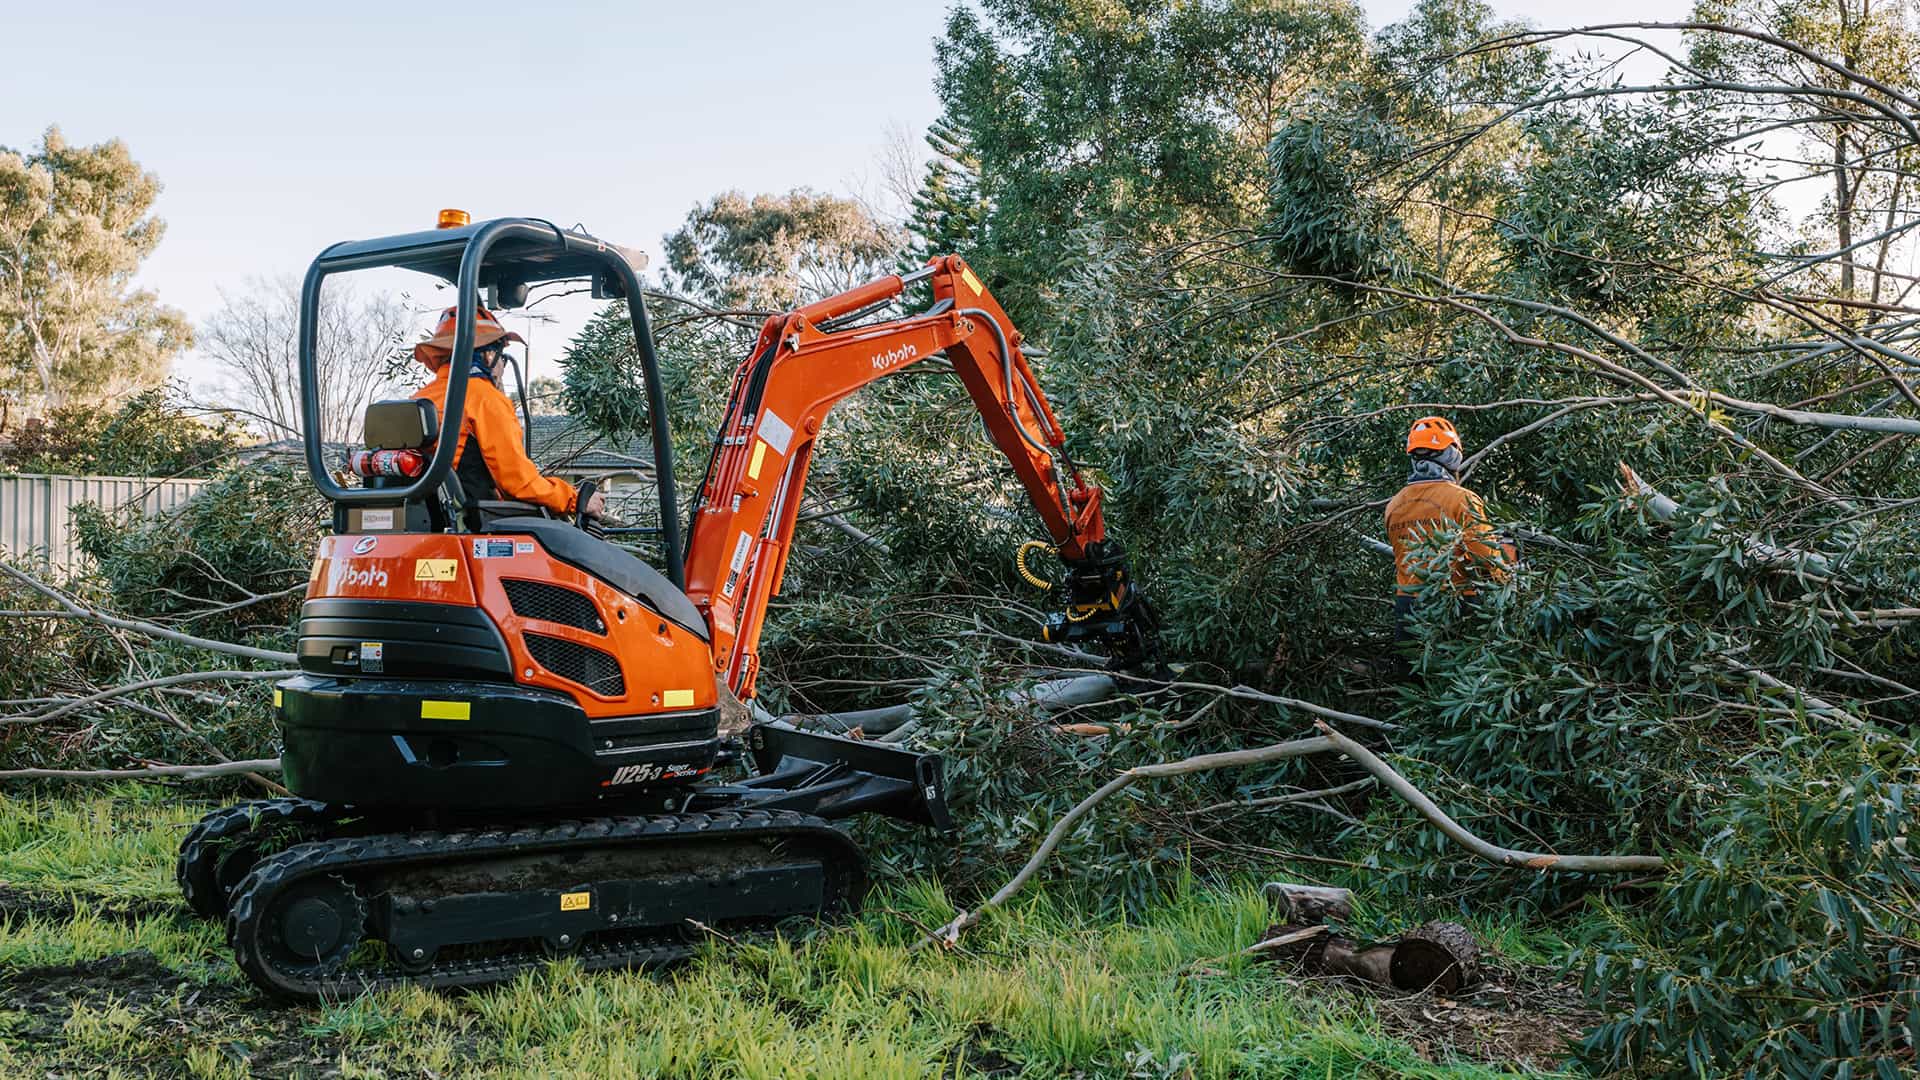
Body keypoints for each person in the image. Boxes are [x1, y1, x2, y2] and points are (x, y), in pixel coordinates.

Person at [411, 305, 605, 524]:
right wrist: (575, 499)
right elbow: (518, 483)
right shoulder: (483, 398)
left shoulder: (418, 399)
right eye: (501, 356)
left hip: (429, 521)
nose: (502, 365)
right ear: (489, 355)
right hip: (473, 524)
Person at [1383, 416, 1513, 641]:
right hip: (1455, 604)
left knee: (1411, 673)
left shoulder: (1394, 504)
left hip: (1408, 605)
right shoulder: (1462, 499)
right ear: (1452, 455)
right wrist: (1508, 576)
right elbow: (1485, 558)